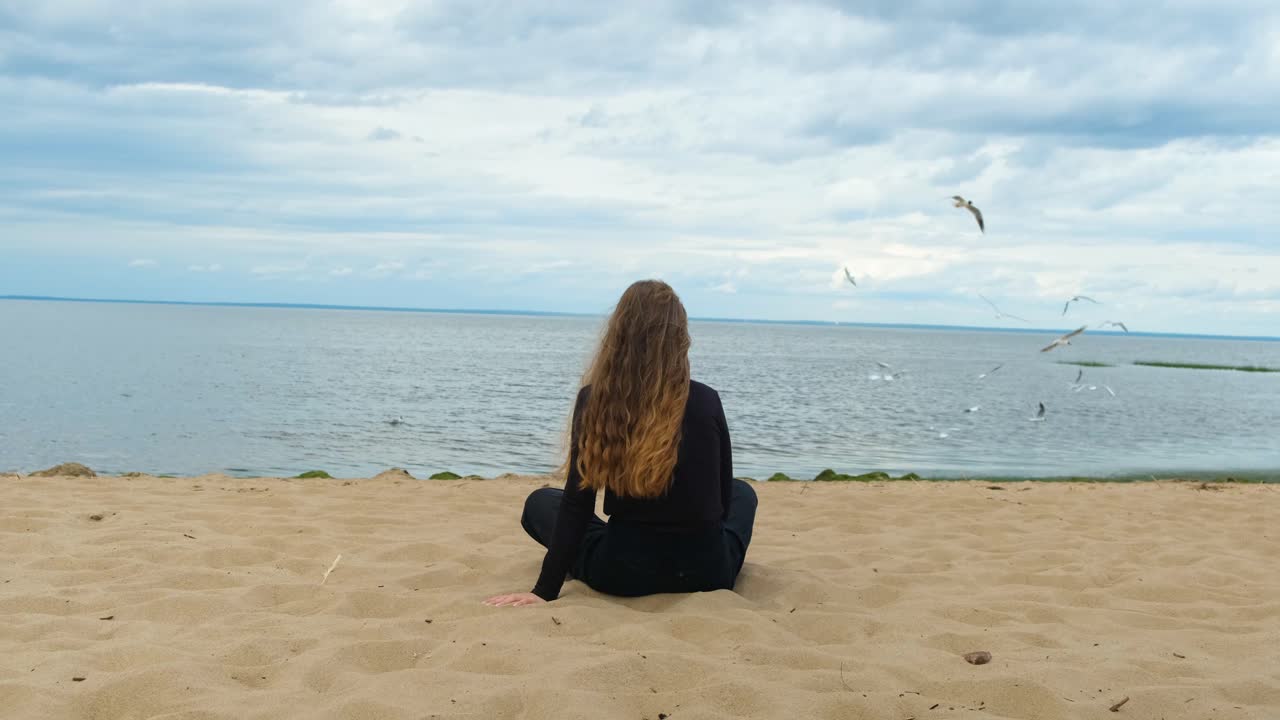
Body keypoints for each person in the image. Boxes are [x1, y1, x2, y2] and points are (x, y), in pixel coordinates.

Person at [484, 280, 758, 606]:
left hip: (624, 572)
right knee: (743, 492)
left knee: (541, 503)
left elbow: (577, 503)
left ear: (619, 335)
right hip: (708, 573)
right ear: (679, 338)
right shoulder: (706, 400)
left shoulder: (597, 400)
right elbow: (722, 503)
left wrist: (543, 591)